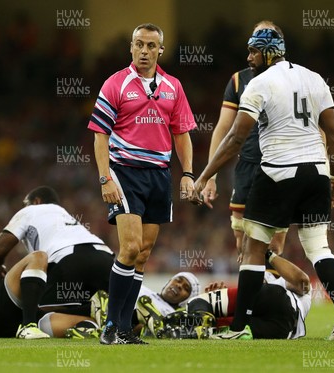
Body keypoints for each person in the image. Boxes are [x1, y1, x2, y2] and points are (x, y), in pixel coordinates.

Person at [193, 27, 334, 340]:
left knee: (254, 247)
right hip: (316, 172)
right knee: (319, 247)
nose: (248, 57)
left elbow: (236, 138)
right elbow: (333, 135)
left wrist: (204, 175)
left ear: (268, 52)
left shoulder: (259, 83)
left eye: (253, 51)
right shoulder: (314, 77)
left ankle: (238, 329)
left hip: (278, 172)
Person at [88, 22, 198, 345]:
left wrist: (188, 173)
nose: (145, 51)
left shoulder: (173, 87)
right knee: (130, 246)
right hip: (125, 172)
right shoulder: (116, 84)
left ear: (160, 50)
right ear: (131, 48)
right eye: (139, 44)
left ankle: (124, 329)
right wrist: (105, 176)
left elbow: (182, 133)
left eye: (151, 46)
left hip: (159, 175)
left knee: (143, 253)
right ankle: (110, 326)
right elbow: (99, 134)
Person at [200, 21, 287, 263]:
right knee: (242, 240)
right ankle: (251, 294)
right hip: (247, 166)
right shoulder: (239, 81)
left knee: (275, 243)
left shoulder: (291, 78)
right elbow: (223, 128)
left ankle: (271, 294)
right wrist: (212, 176)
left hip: (279, 164)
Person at [0, 186, 114, 312]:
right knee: (115, 314)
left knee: (43, 315)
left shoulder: (31, 210)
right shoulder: (65, 214)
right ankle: (100, 310)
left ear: (37, 201)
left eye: (25, 204)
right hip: (105, 257)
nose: (24, 208)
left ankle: (91, 310)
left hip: (68, 259)